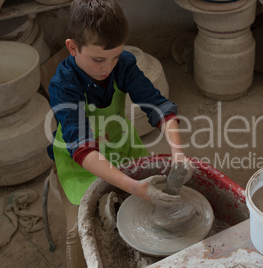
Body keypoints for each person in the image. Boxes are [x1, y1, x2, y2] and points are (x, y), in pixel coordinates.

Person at [47, 0, 192, 266]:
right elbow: (82, 149)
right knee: (81, 231)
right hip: (80, 162)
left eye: (115, 57)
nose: (107, 68)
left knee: (150, 206)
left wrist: (179, 156)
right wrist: (136, 187)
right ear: (72, 47)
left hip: (120, 144)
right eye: (99, 59)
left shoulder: (123, 65)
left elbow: (160, 107)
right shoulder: (63, 86)